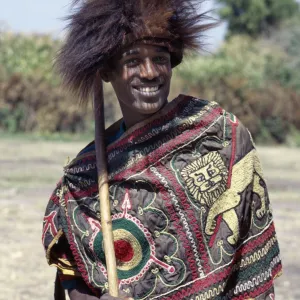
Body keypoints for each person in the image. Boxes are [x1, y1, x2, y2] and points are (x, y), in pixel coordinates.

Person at [42, 0, 282, 299]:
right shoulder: (86, 177)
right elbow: (72, 271)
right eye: (132, 61)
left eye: (160, 58)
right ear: (107, 71)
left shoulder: (218, 136)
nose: (150, 72)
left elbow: (247, 252)